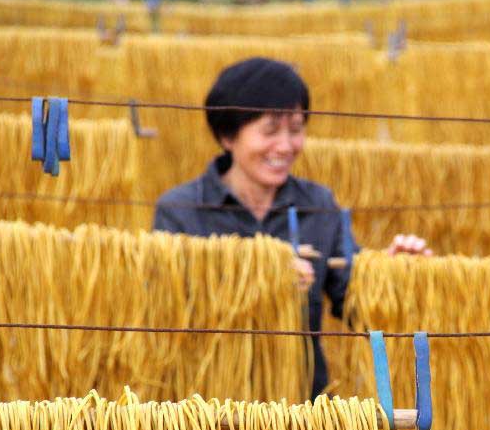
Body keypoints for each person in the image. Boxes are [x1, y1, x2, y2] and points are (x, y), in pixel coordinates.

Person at [153, 57, 431, 399]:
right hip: (206, 412)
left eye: (296, 130)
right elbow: (165, 313)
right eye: (270, 131)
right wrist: (262, 276)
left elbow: (357, 306)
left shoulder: (319, 203)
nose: (285, 146)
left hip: (302, 416)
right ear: (227, 135)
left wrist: (393, 275)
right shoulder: (180, 210)